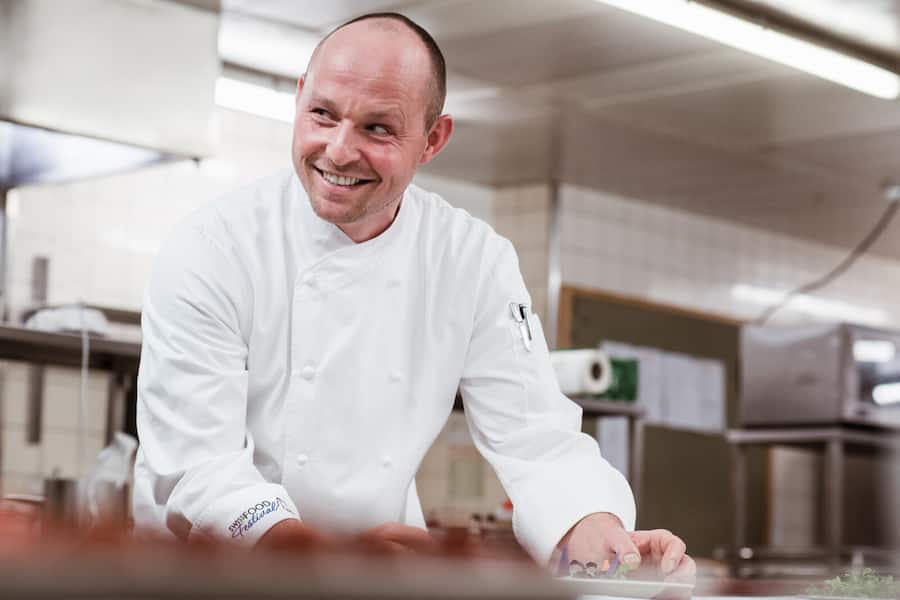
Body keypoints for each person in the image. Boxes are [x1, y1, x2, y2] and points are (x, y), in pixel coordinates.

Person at [133, 12, 695, 581]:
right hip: (213, 579)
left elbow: (537, 440)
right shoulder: (213, 248)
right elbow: (199, 467)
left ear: (433, 139)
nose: (339, 150)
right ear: (299, 98)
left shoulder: (472, 259)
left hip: (380, 578)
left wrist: (601, 540)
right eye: (322, 114)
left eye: (378, 129)